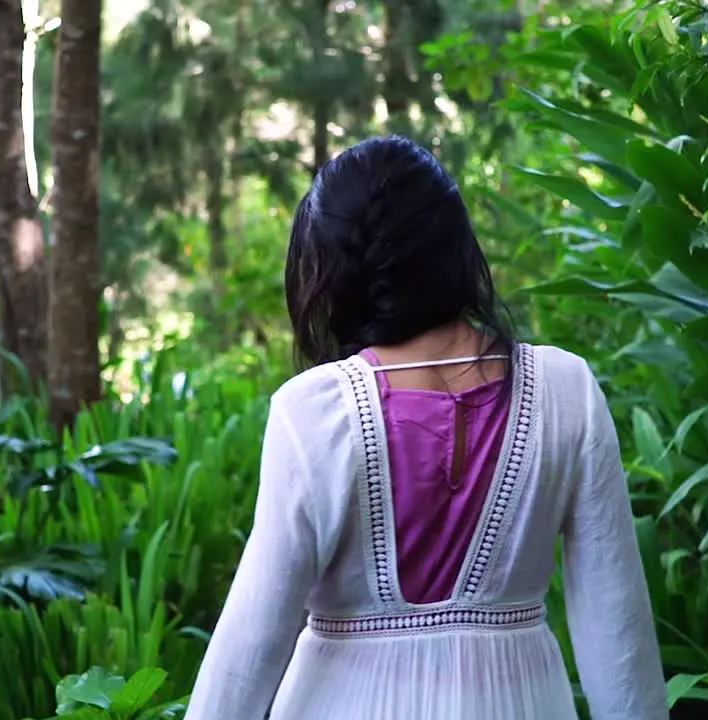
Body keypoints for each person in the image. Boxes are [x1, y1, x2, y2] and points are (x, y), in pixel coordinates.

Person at [184, 136, 667, 720]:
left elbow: (251, 643)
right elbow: (619, 630)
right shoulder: (565, 391)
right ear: (452, 245)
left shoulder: (313, 411)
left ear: (336, 265)